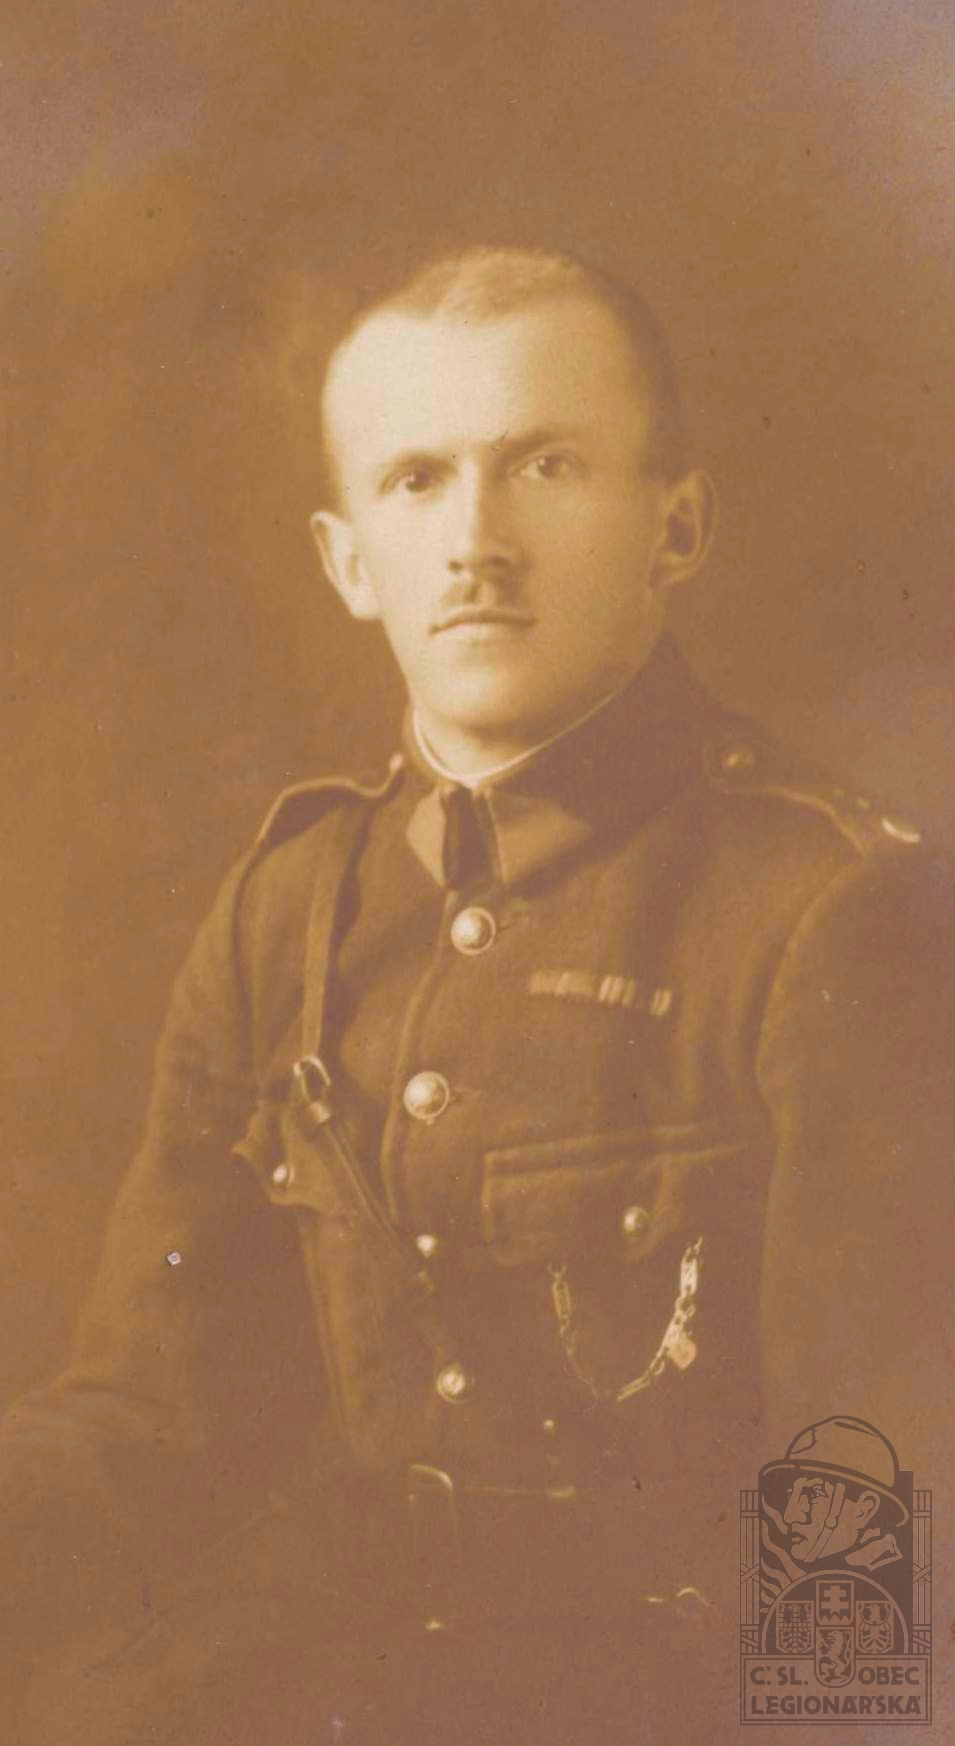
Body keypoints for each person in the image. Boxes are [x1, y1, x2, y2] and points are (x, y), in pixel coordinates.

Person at [3, 245, 953, 1745]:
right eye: (417, 480)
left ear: (677, 524)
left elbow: (872, 1534)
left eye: (544, 466)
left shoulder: (830, 908)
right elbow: (155, 1419)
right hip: (329, 1679)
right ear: (346, 561)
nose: (475, 542)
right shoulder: (289, 907)